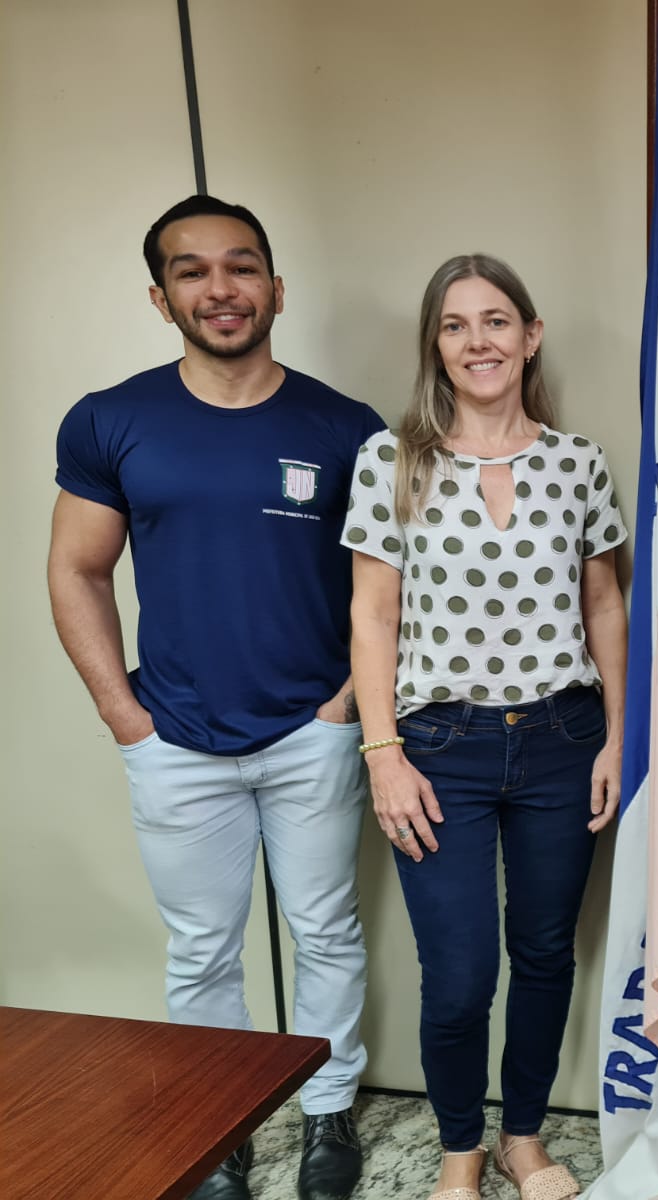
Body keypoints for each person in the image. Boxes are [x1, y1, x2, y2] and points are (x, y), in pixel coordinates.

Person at [48, 195, 381, 1200]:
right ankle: (216, 1127)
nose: (220, 288)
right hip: (178, 741)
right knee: (201, 950)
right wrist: (126, 718)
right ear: (161, 297)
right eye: (192, 271)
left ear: (276, 287)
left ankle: (328, 1118)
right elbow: (75, 572)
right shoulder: (113, 419)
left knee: (325, 931)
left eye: (241, 266)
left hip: (311, 732)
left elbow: (384, 591)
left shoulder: (345, 425)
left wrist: (340, 710)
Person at [343, 253, 627, 1200]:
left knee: (545, 954)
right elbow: (372, 616)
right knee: (459, 974)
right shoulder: (394, 460)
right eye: (457, 324)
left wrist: (619, 738)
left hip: (561, 739)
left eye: (497, 320)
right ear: (436, 343)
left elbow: (605, 610)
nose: (479, 341)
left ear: (531, 335)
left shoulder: (577, 462)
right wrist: (382, 751)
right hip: (440, 751)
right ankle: (459, 1148)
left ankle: (525, 1138)